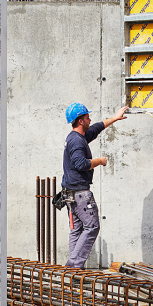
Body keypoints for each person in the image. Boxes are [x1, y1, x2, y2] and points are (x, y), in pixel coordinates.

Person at [61, 102, 128, 268]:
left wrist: (115, 118)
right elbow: (80, 164)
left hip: (70, 193)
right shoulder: (77, 141)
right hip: (80, 194)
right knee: (92, 226)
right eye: (87, 117)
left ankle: (75, 270)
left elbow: (97, 128)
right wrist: (100, 161)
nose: (90, 119)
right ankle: (74, 265)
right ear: (81, 121)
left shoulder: (76, 137)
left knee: (77, 230)